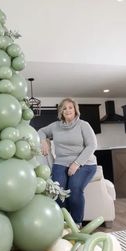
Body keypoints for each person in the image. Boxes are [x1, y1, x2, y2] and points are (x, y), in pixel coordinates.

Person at [38, 97, 97, 227]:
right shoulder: (55, 126)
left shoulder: (83, 125)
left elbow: (92, 146)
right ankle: (62, 222)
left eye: (70, 107)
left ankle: (76, 223)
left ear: (75, 109)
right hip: (61, 162)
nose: (67, 110)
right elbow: (41, 131)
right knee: (57, 190)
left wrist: (76, 164)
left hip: (85, 163)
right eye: (64, 108)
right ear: (61, 111)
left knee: (74, 188)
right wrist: (43, 141)